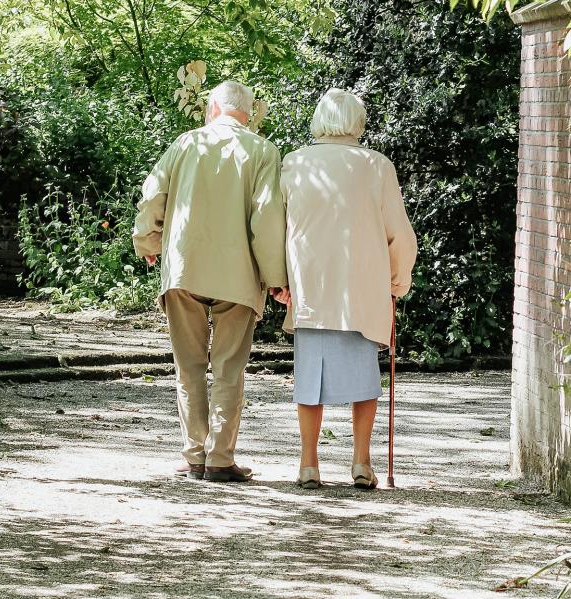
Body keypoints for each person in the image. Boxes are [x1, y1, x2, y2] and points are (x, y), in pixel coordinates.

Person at [133, 80, 287, 482]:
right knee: (229, 368)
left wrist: (147, 240)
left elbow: (153, 196)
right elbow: (267, 218)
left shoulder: (185, 144)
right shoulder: (263, 151)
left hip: (185, 268)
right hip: (238, 275)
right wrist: (276, 278)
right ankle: (220, 459)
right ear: (248, 114)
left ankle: (194, 455)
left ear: (212, 107)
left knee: (189, 366)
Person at [275, 88, 417, 490]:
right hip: (362, 286)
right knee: (364, 378)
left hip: (312, 285)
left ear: (319, 120)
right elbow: (400, 234)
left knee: (309, 379)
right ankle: (360, 462)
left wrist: (279, 280)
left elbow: (276, 228)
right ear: (358, 122)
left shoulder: (295, 163)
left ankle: (308, 464)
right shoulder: (376, 166)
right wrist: (397, 278)